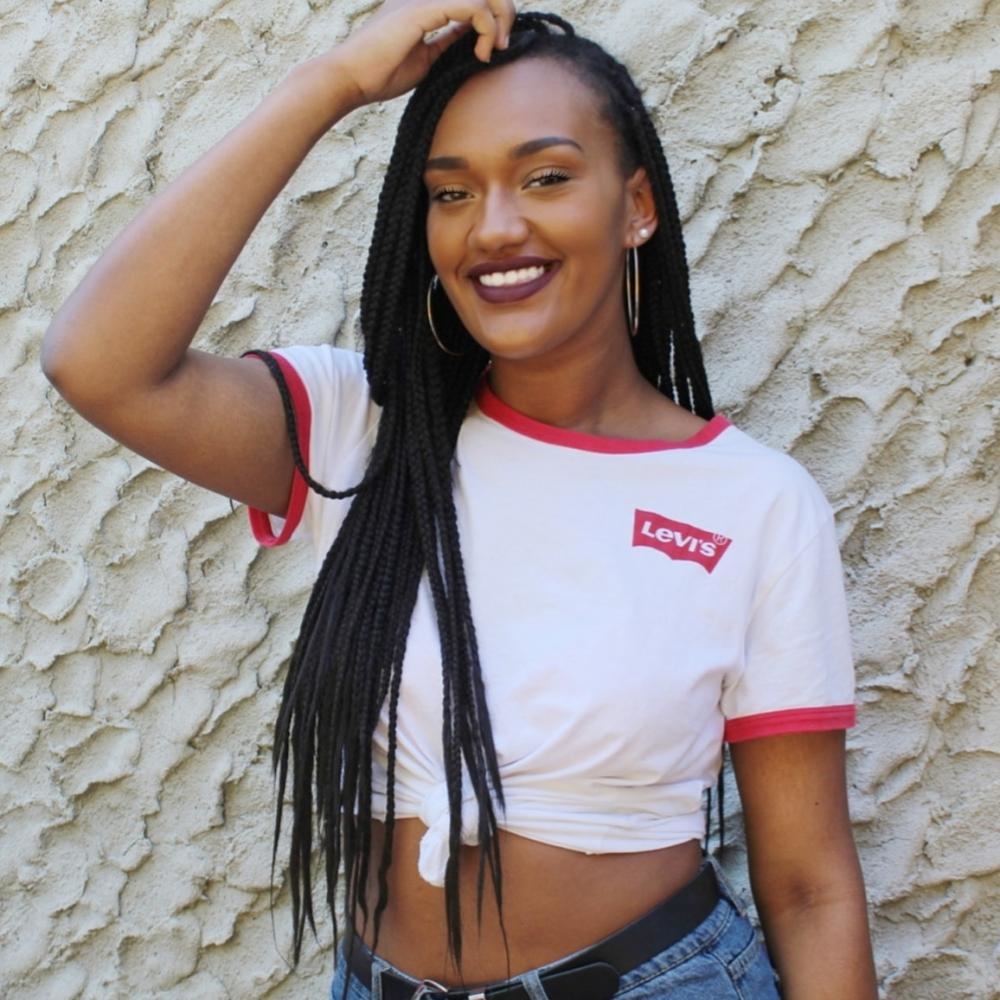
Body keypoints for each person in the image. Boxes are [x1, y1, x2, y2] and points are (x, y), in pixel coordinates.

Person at [41, 1, 878, 997]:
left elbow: (809, 886)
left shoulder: (754, 503)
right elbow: (100, 364)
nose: (495, 227)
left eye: (546, 177)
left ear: (636, 206)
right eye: (451, 192)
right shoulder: (363, 432)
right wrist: (332, 84)